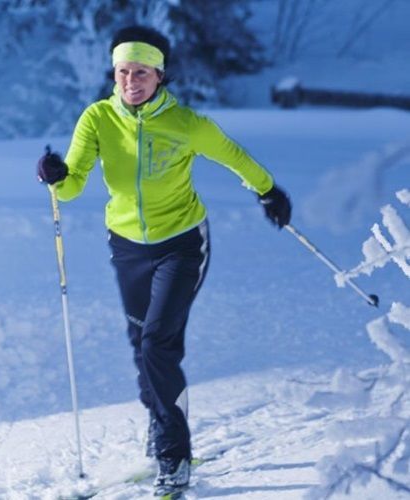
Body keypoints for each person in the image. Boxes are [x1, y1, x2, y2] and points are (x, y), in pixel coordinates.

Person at [37, 25, 291, 497]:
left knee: (157, 342)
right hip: (128, 247)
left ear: (159, 75)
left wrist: (268, 190)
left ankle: (174, 454)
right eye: (123, 72)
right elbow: (70, 188)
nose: (130, 81)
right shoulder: (97, 119)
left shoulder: (186, 123)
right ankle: (160, 420)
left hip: (182, 244)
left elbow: (233, 155)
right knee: (143, 344)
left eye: (141, 72)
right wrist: (55, 175)